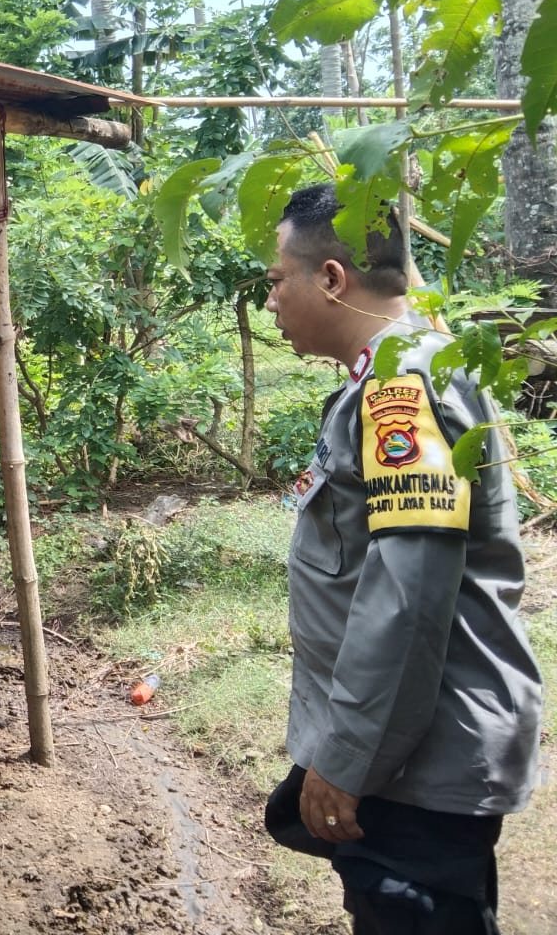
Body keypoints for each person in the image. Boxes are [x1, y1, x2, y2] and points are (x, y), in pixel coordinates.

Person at [262, 183, 543, 934]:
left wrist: (346, 760)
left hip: (415, 760)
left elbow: (407, 599)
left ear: (331, 279)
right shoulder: (393, 372)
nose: (271, 303)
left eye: (276, 280)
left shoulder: (401, 385)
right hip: (414, 750)